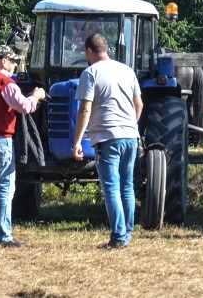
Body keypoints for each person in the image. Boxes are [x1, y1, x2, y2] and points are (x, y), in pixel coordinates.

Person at [72, 34, 143, 249]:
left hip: (107, 137)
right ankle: (126, 232)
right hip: (131, 137)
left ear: (89, 51)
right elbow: (138, 104)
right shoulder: (126, 70)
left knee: (111, 188)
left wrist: (77, 141)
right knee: (127, 186)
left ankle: (119, 237)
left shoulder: (90, 73)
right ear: (106, 49)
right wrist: (131, 125)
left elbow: (85, 108)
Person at [0, 45, 46, 247]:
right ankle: (4, 235)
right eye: (13, 61)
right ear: (4, 61)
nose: (15, 65)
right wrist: (37, 96)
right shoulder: (5, 82)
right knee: (6, 187)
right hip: (0, 139)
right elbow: (25, 107)